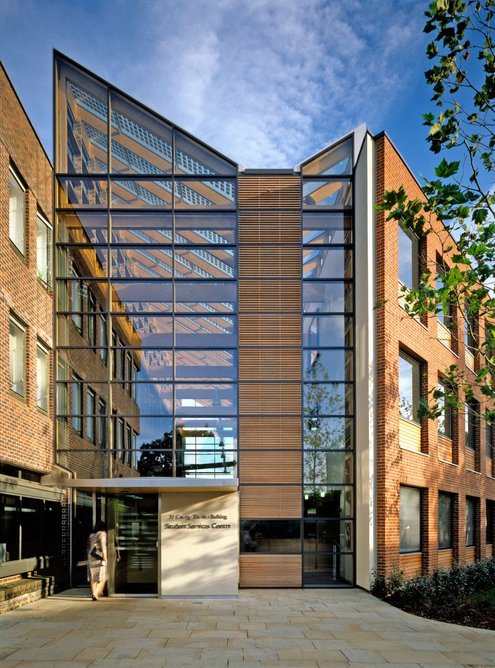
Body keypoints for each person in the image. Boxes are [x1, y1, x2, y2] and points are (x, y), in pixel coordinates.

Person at [87, 520, 108, 601]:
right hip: (99, 557)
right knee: (102, 576)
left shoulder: (91, 535)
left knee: (93, 576)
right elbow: (103, 547)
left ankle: (94, 593)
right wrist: (105, 558)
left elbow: (89, 547)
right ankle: (96, 592)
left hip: (91, 556)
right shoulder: (102, 534)